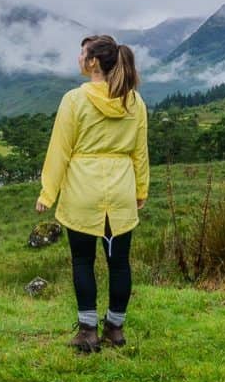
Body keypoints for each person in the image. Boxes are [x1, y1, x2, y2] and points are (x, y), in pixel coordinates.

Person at [35, 34, 149, 353]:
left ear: (93, 62)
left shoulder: (75, 99)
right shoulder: (134, 101)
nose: (78, 58)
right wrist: (141, 189)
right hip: (122, 192)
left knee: (83, 261)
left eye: (82, 53)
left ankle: (87, 332)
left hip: (83, 191)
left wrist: (48, 193)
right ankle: (115, 328)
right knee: (120, 263)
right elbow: (140, 151)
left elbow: (60, 149)